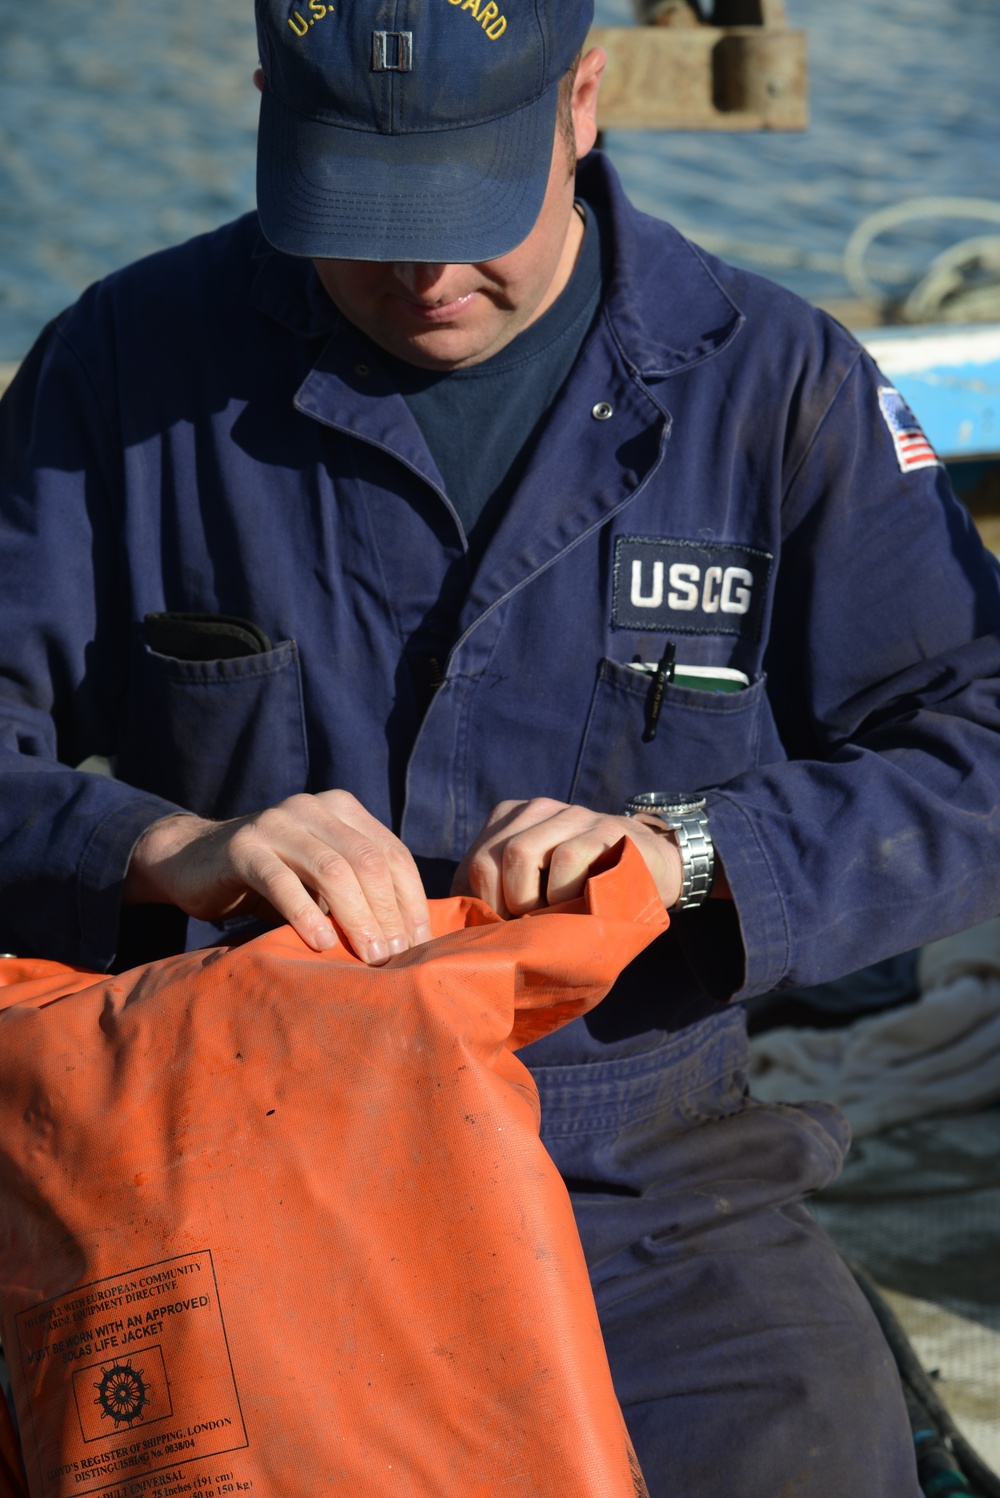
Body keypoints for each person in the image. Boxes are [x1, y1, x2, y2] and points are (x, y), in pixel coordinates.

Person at [2, 0, 999, 1492]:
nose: (423, 271)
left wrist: (699, 850)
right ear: (268, 104)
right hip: (225, 1139)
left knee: (813, 1454)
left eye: (471, 210)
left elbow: (977, 742)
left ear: (583, 102)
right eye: (364, 211)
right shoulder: (124, 368)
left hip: (639, 1172)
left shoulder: (778, 385)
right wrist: (164, 845)